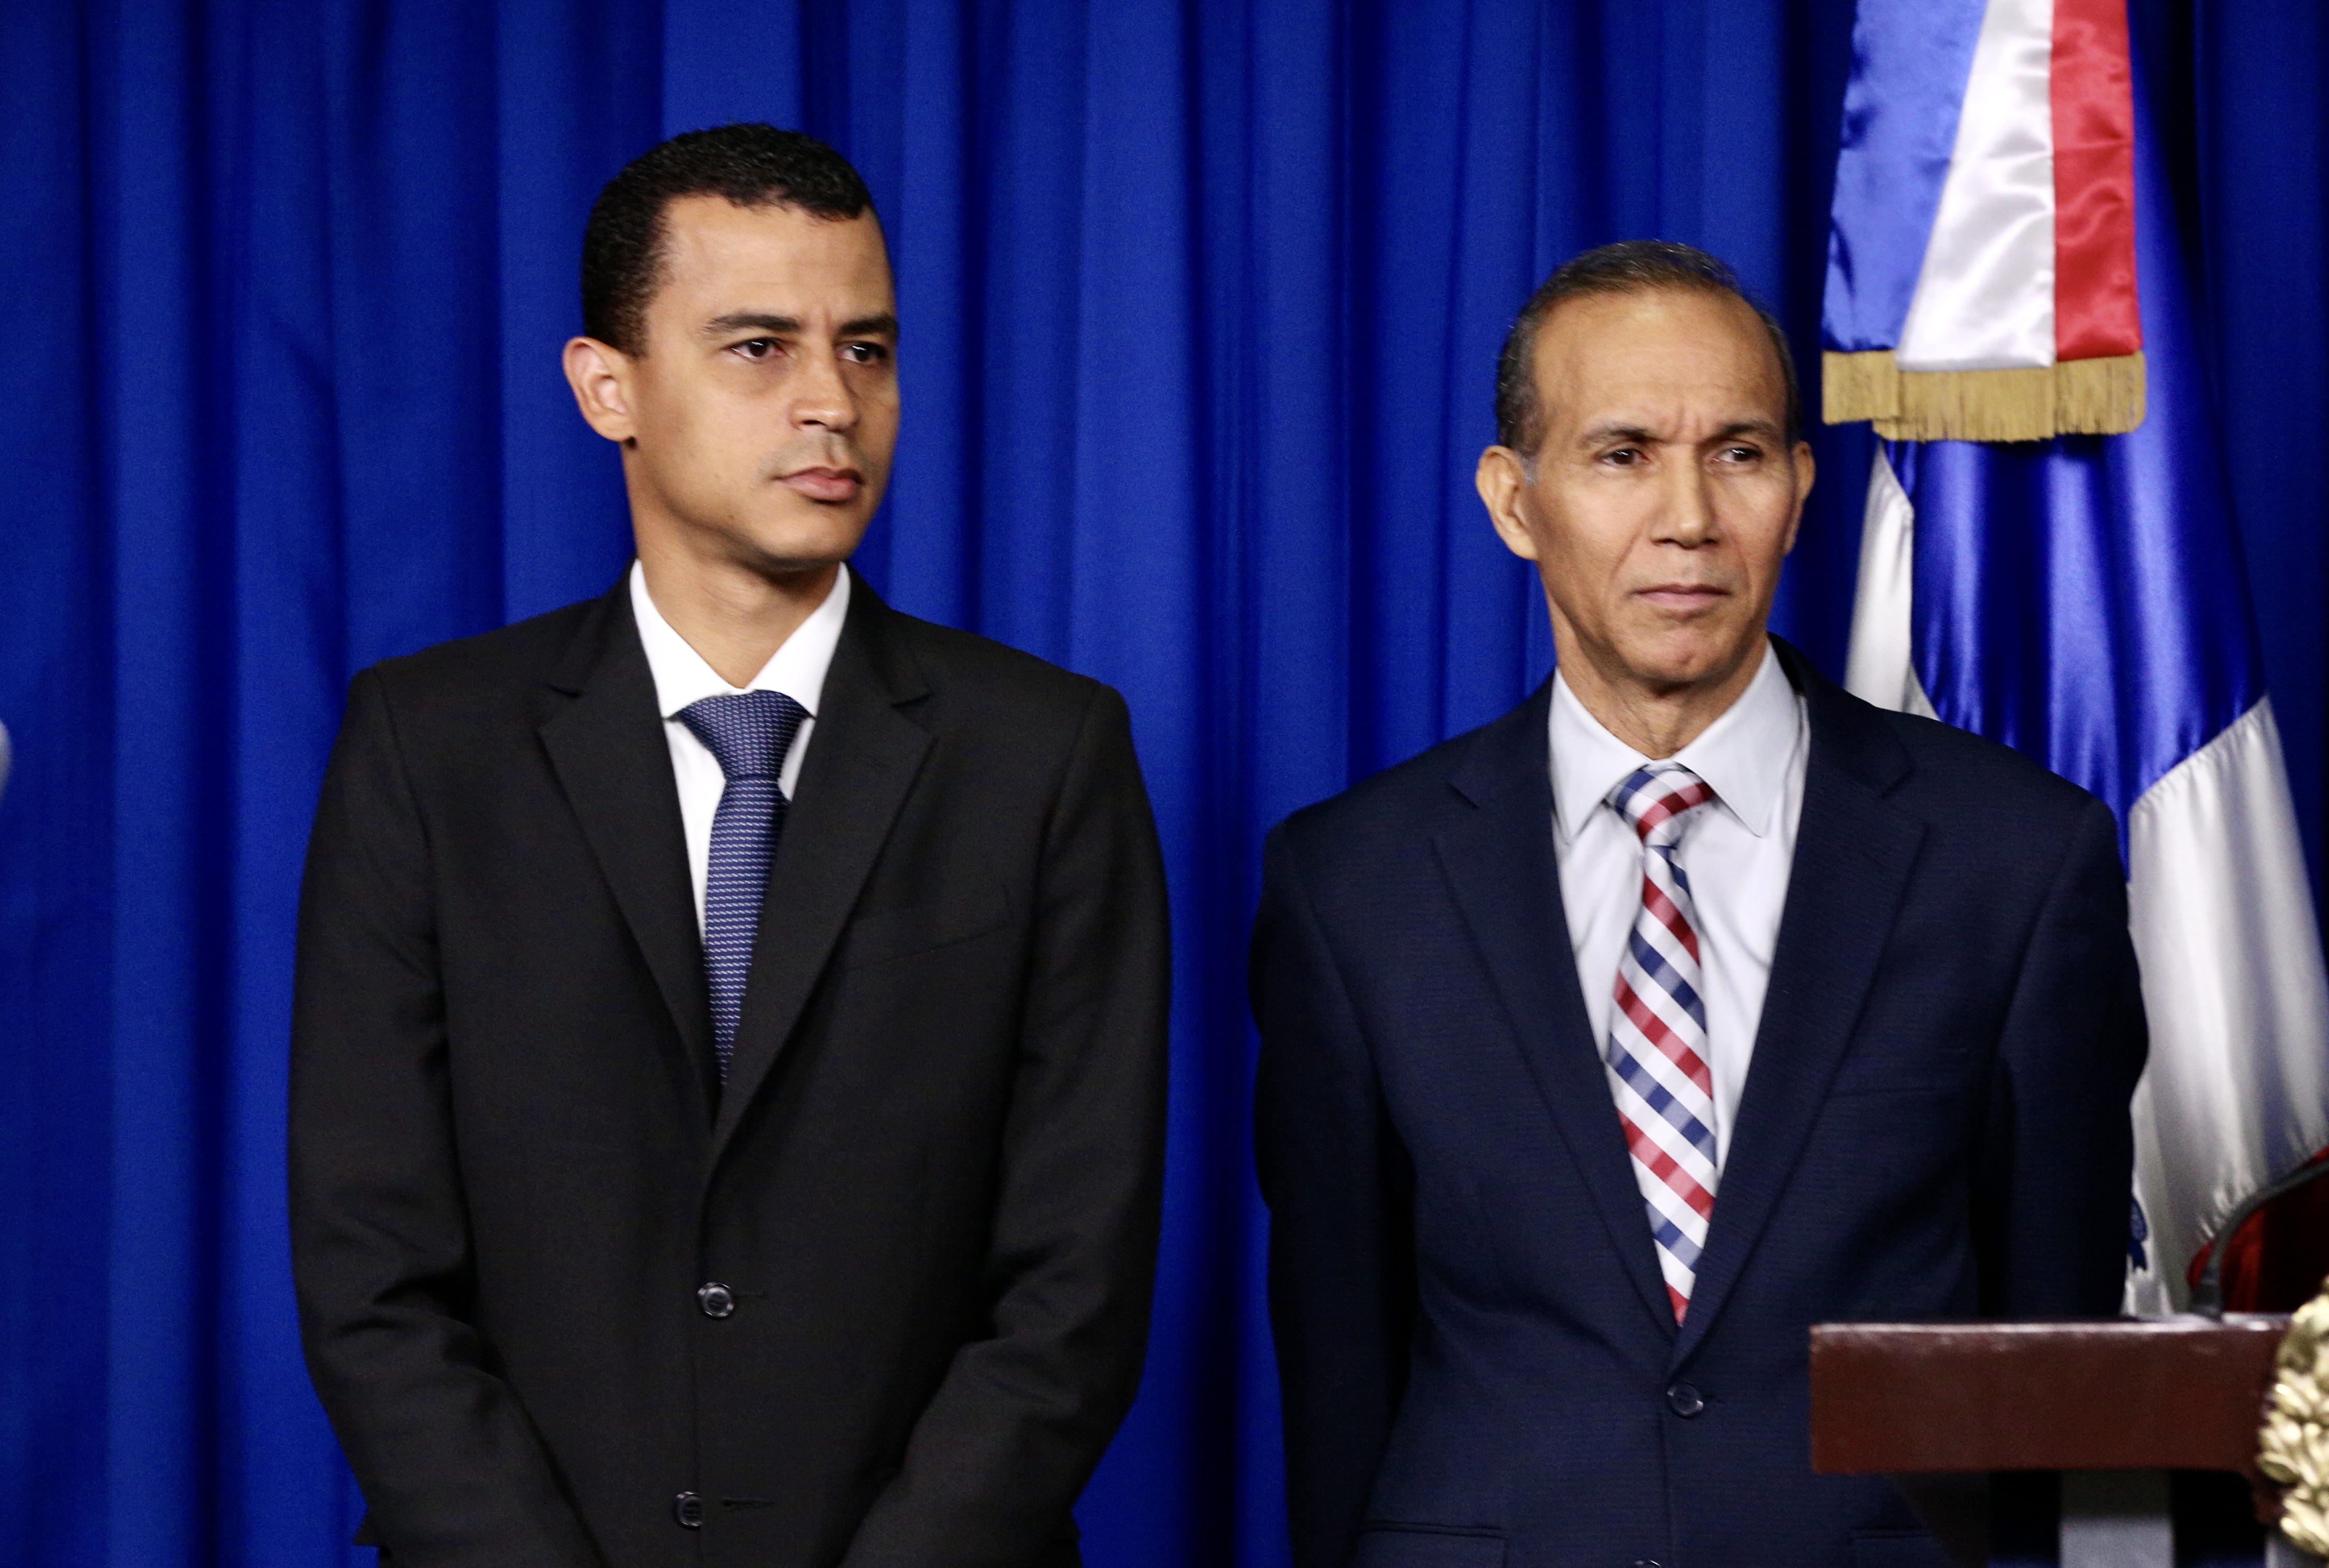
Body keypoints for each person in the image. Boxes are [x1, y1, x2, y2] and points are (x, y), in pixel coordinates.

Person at [291, 124, 1169, 1568]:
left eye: (867, 349)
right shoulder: (427, 747)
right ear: (608, 387)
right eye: (760, 347)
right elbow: (370, 1266)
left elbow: (1076, 1281)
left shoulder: (1046, 753)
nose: (832, 401)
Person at [1252, 241, 2145, 1568]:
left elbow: (2054, 1359)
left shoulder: (2016, 856)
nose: (1688, 517)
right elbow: (1340, 1362)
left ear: (1798, 490)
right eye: (1621, 454)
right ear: (1513, 499)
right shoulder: (1351, 882)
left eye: (1736, 453)